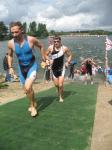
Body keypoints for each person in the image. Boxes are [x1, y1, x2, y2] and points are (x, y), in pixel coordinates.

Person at [7, 21, 46, 117]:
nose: (14, 34)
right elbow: (10, 55)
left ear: (22, 30)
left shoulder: (31, 39)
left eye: (16, 32)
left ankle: (33, 107)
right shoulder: (11, 43)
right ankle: (33, 101)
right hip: (21, 68)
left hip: (32, 65)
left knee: (28, 87)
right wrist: (10, 67)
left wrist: (43, 59)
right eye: (12, 32)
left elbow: (41, 46)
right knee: (26, 90)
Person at [46, 36, 72, 102]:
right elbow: (45, 55)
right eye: (55, 42)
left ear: (60, 42)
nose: (56, 43)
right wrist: (49, 60)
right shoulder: (50, 48)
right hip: (54, 68)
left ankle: (60, 96)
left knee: (60, 85)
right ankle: (60, 90)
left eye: (57, 41)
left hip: (62, 68)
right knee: (56, 85)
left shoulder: (64, 48)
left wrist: (67, 62)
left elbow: (70, 55)